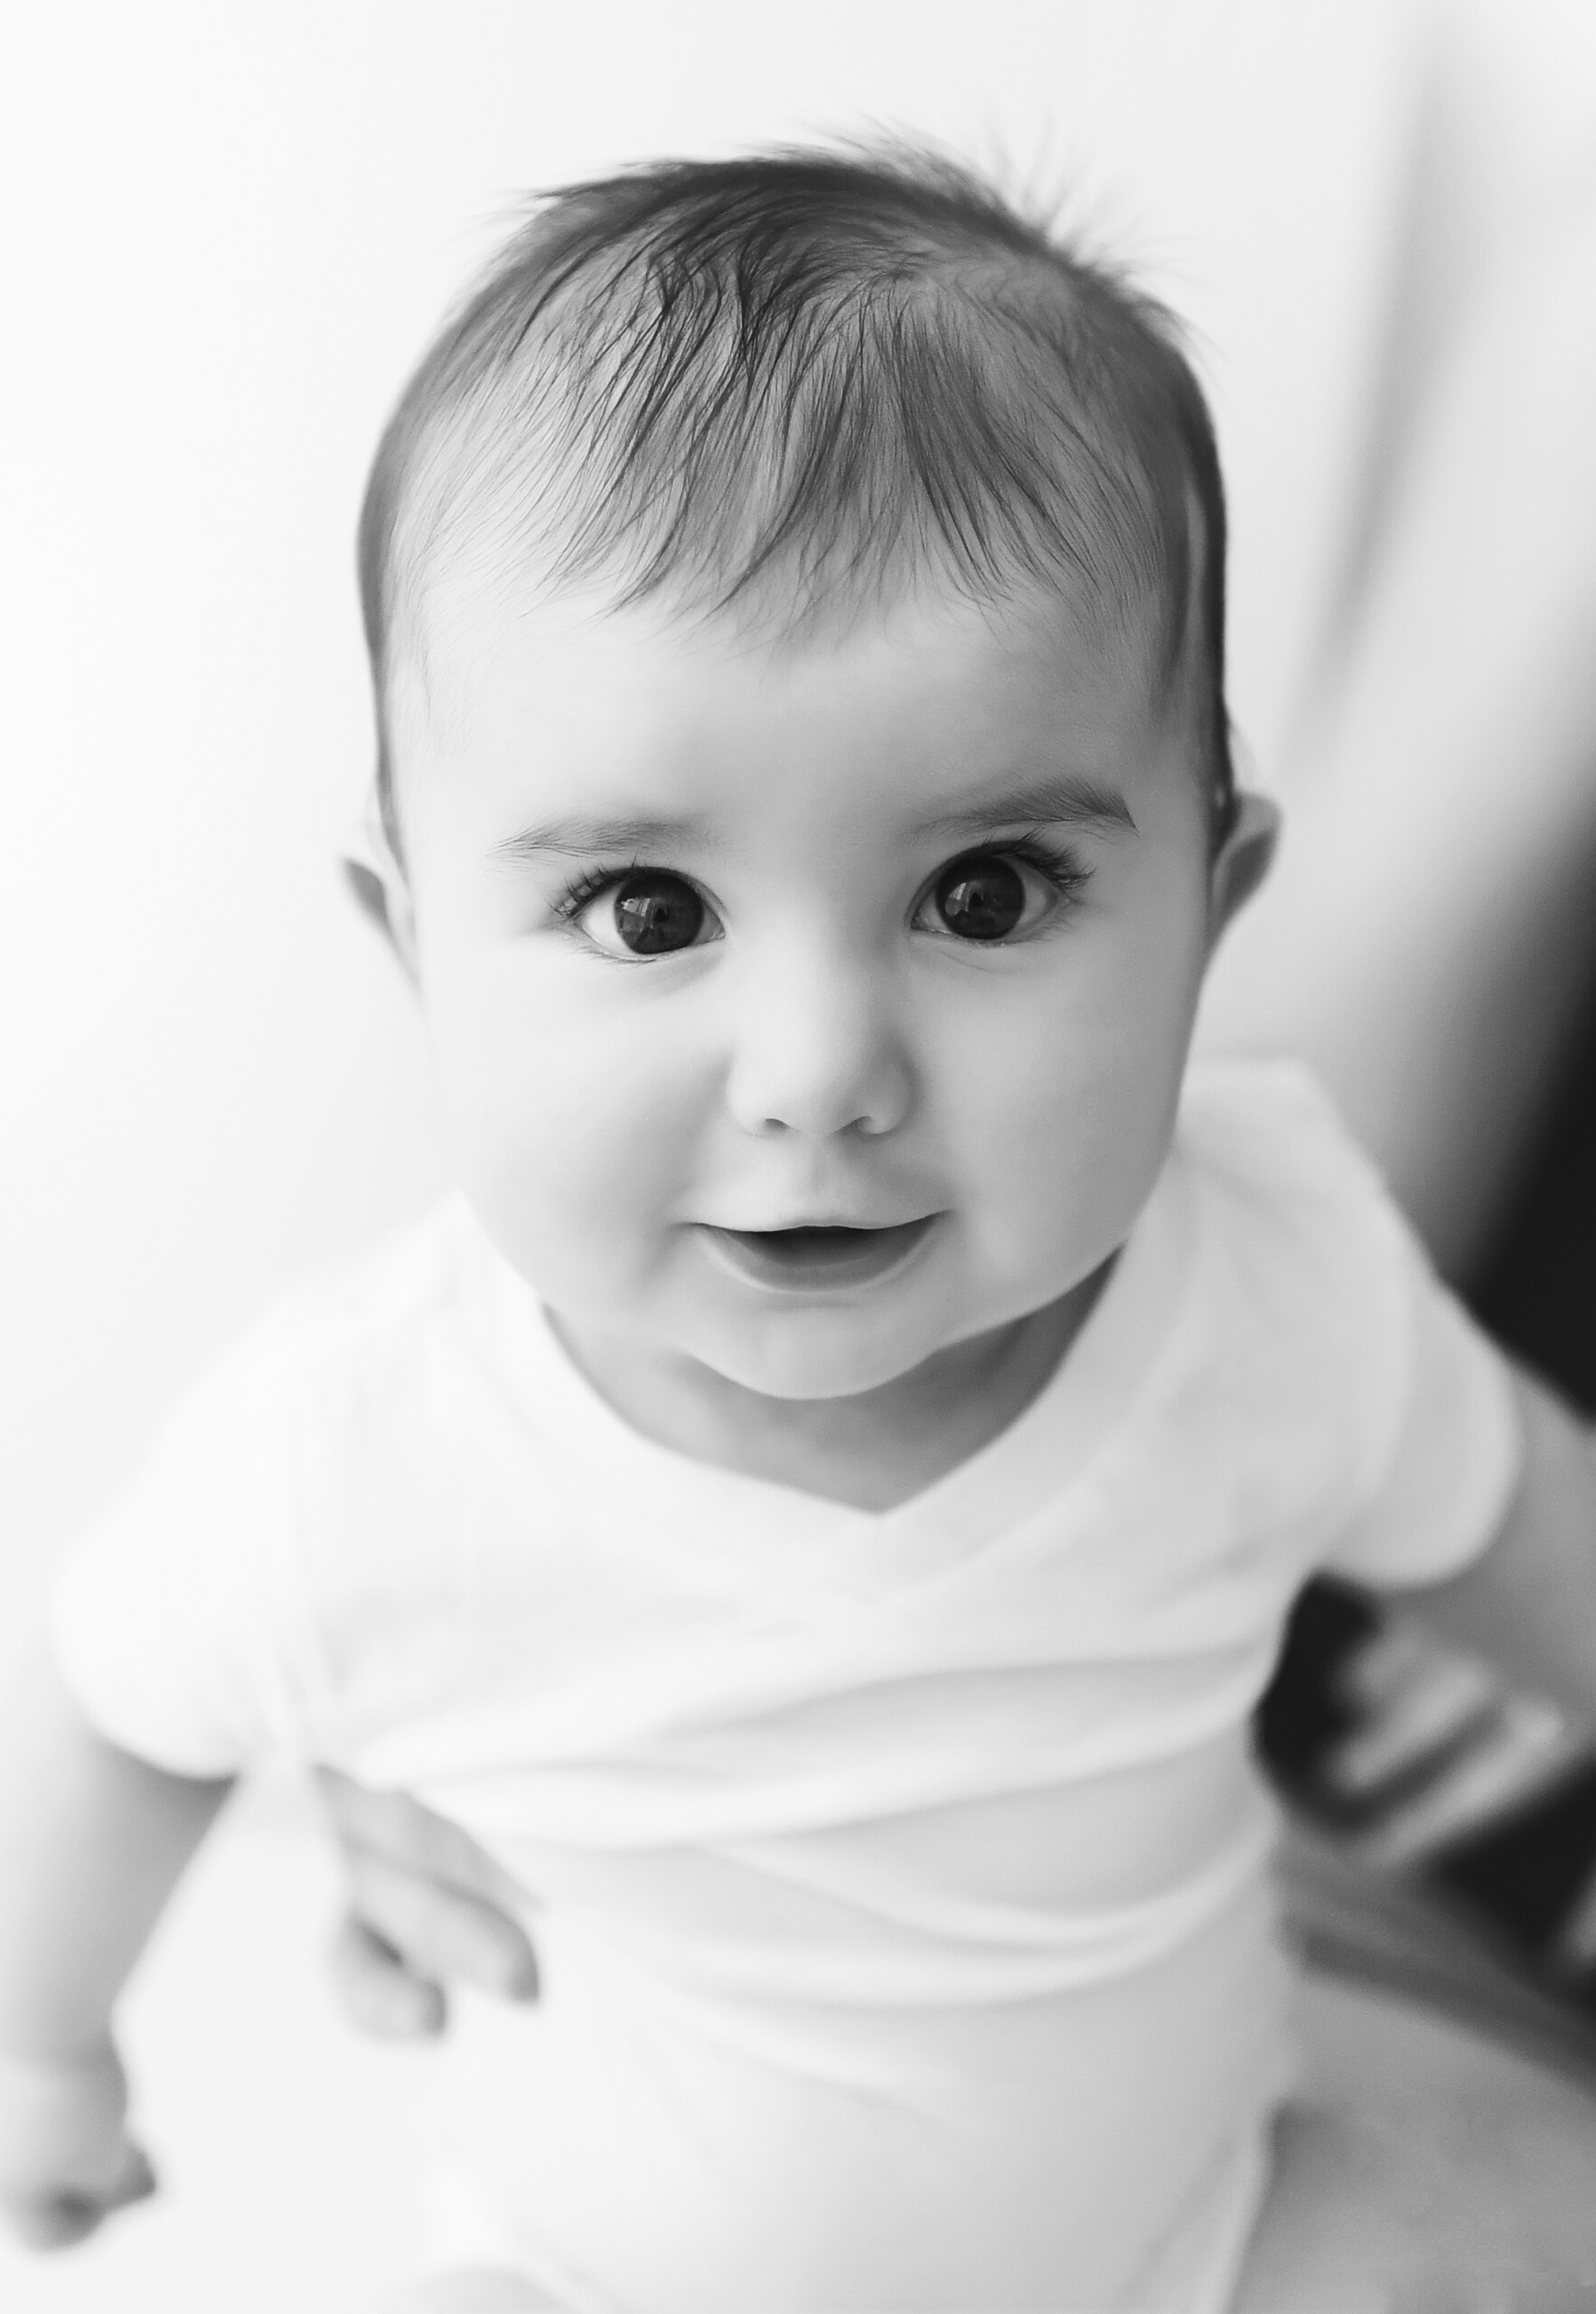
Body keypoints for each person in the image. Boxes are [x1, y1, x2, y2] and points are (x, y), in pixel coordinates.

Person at [3, 148, 1596, 2313]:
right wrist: (46, 2039)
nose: (817, 1067)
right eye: (647, 908)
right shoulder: (361, 1441)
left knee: (1512, 2220)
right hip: (599, 2267)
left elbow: (1526, 1534)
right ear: (414, 946)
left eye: (988, 893)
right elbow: (118, 1705)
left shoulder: (1269, 1280)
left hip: (1202, 2226)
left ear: (1214, 908)